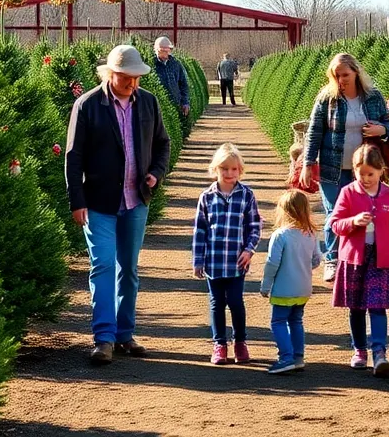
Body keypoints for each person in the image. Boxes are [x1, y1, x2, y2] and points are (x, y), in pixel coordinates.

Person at [65, 44, 171, 366]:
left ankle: (125, 335)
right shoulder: (88, 105)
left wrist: (155, 173)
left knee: (129, 269)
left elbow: (162, 144)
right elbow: (74, 157)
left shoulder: (148, 104)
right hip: (98, 203)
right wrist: (77, 200)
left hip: (135, 201)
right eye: (126, 77)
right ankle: (104, 339)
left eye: (137, 78)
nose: (132, 83)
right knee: (103, 267)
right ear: (111, 74)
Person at [299, 52, 389, 282]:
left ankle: (358, 257)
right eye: (336, 75)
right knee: (334, 212)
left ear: (356, 72)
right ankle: (332, 259)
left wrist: (381, 130)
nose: (341, 79)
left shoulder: (372, 97)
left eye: (345, 74)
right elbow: (314, 132)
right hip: (332, 167)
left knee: (362, 211)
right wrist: (308, 163)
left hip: (364, 169)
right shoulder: (327, 98)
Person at [329, 144, 389, 378]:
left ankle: (380, 353)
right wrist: (353, 221)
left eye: (370, 174)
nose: (365, 178)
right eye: (360, 173)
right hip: (354, 258)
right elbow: (335, 224)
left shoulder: (388, 194)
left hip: (380, 259)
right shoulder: (348, 193)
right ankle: (359, 350)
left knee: (377, 305)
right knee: (356, 307)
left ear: (381, 171)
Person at [192, 143, 262, 366]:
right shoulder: (207, 197)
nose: (229, 173)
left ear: (240, 170)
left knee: (235, 301)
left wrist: (249, 250)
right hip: (214, 261)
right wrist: (198, 261)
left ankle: (240, 342)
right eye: (224, 169)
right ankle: (219, 344)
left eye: (234, 169)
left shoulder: (246, 195)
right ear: (215, 170)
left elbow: (255, 226)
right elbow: (200, 230)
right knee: (216, 302)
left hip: (236, 262)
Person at [260, 188, 322, 375]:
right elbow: (316, 259)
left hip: (283, 289)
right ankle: (298, 357)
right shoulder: (311, 233)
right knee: (296, 320)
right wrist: (303, 268)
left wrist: (266, 285)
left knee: (278, 321)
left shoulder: (280, 235)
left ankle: (285, 358)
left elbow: (272, 263)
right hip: (303, 288)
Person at [151, 36, 191, 126]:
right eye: (162, 50)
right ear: (156, 50)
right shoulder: (151, 64)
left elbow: (183, 84)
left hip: (175, 103)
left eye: (167, 50)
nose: (165, 53)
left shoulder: (176, 64)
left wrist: (185, 102)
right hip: (158, 106)